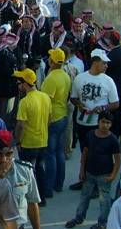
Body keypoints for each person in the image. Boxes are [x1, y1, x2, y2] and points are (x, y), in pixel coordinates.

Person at [69, 48, 119, 191]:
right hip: (82, 122)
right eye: (104, 63)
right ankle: (84, 179)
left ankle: (97, 185)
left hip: (98, 125)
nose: (106, 66)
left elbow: (116, 103)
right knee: (84, 152)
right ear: (95, 62)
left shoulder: (108, 81)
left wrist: (102, 108)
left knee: (97, 155)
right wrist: (79, 105)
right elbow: (73, 98)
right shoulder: (80, 78)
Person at [65, 111, 121, 229]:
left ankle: (102, 223)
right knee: (84, 196)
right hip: (89, 173)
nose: (105, 125)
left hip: (104, 175)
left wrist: (113, 175)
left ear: (111, 125)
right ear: (98, 122)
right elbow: (84, 154)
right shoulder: (90, 135)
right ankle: (79, 217)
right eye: (103, 122)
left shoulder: (113, 140)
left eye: (108, 123)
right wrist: (82, 171)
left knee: (104, 200)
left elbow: (117, 159)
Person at [0, 129, 41, 229]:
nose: (4, 159)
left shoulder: (24, 170)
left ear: (14, 151)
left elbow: (32, 203)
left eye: (8, 154)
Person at [14, 68, 51, 205]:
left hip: (28, 143)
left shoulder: (25, 102)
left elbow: (20, 125)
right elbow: (49, 119)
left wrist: (17, 141)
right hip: (43, 141)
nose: (18, 85)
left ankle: (30, 200)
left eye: (19, 83)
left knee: (26, 172)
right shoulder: (45, 97)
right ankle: (42, 198)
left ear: (25, 84)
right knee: (40, 169)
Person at [41, 48, 71, 198]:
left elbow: (45, 102)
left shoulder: (51, 78)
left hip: (53, 119)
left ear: (52, 61)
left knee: (50, 154)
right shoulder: (65, 75)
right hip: (63, 115)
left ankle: (48, 187)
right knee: (59, 151)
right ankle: (58, 184)